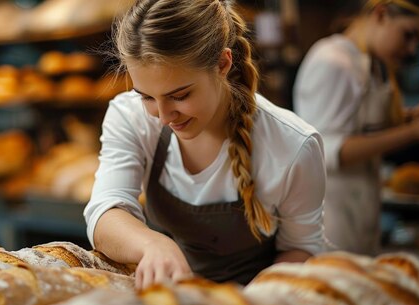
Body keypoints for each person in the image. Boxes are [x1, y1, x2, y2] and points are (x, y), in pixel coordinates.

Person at [84, 0, 327, 290]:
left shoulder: (293, 146)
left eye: (180, 95)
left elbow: (302, 249)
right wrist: (153, 245)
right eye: (146, 97)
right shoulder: (130, 117)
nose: (162, 117)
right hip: (172, 303)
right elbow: (105, 213)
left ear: (223, 63)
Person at [293, 0, 419, 255]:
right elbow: (326, 151)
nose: (412, 49)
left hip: (362, 222)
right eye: (408, 35)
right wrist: (412, 133)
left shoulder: (372, 64)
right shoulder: (332, 61)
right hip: (332, 227)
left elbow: (368, 129)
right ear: (381, 14)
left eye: (418, 40)